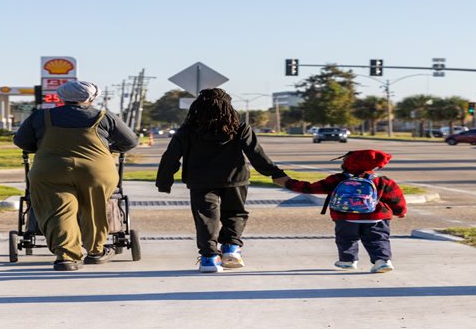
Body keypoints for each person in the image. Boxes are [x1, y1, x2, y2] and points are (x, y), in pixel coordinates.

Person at [156, 88, 287, 273]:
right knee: (235, 213)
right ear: (228, 106)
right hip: (235, 179)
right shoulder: (240, 128)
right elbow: (256, 154)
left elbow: (170, 157)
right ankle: (231, 249)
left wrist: (164, 181)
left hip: (201, 180)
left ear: (197, 107)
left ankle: (209, 258)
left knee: (206, 218)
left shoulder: (187, 131)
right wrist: (276, 174)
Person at [14, 81, 138, 271]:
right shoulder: (104, 117)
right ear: (90, 98)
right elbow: (130, 141)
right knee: (94, 208)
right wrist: (109, 149)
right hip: (96, 171)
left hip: (51, 170)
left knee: (58, 212)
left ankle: (66, 257)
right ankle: (96, 252)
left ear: (61, 97)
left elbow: (23, 142)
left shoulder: (41, 116)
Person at [275, 149, 406, 273]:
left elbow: (310, 188)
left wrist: (288, 182)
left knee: (346, 238)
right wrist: (400, 211)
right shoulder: (382, 181)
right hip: (377, 217)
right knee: (377, 239)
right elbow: (396, 198)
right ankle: (383, 261)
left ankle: (348, 261)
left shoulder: (337, 179)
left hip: (345, 216)